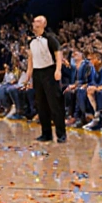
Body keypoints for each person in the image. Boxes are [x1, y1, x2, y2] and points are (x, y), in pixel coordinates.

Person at [26, 16, 66, 144]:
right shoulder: (30, 42)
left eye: (38, 21)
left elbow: (58, 54)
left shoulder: (50, 39)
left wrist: (58, 70)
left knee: (55, 104)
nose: (35, 24)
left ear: (44, 24)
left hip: (50, 71)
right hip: (37, 73)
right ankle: (46, 133)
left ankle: (61, 134)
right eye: (34, 22)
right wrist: (28, 76)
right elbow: (30, 60)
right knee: (41, 105)